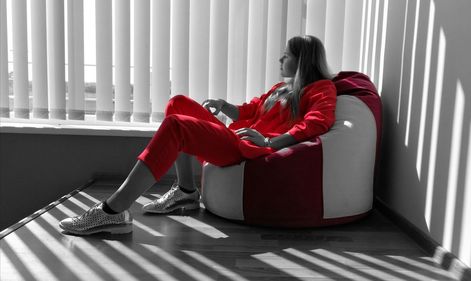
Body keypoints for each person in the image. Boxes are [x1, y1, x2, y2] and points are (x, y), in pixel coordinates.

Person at [59, 35, 337, 235]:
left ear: (302, 60)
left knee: (178, 125)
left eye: (286, 55)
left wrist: (268, 142)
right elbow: (252, 109)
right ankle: (186, 191)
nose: (280, 58)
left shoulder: (321, 89)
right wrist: (227, 107)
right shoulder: (281, 87)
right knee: (177, 102)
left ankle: (113, 211)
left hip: (249, 149)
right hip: (238, 137)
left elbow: (315, 125)